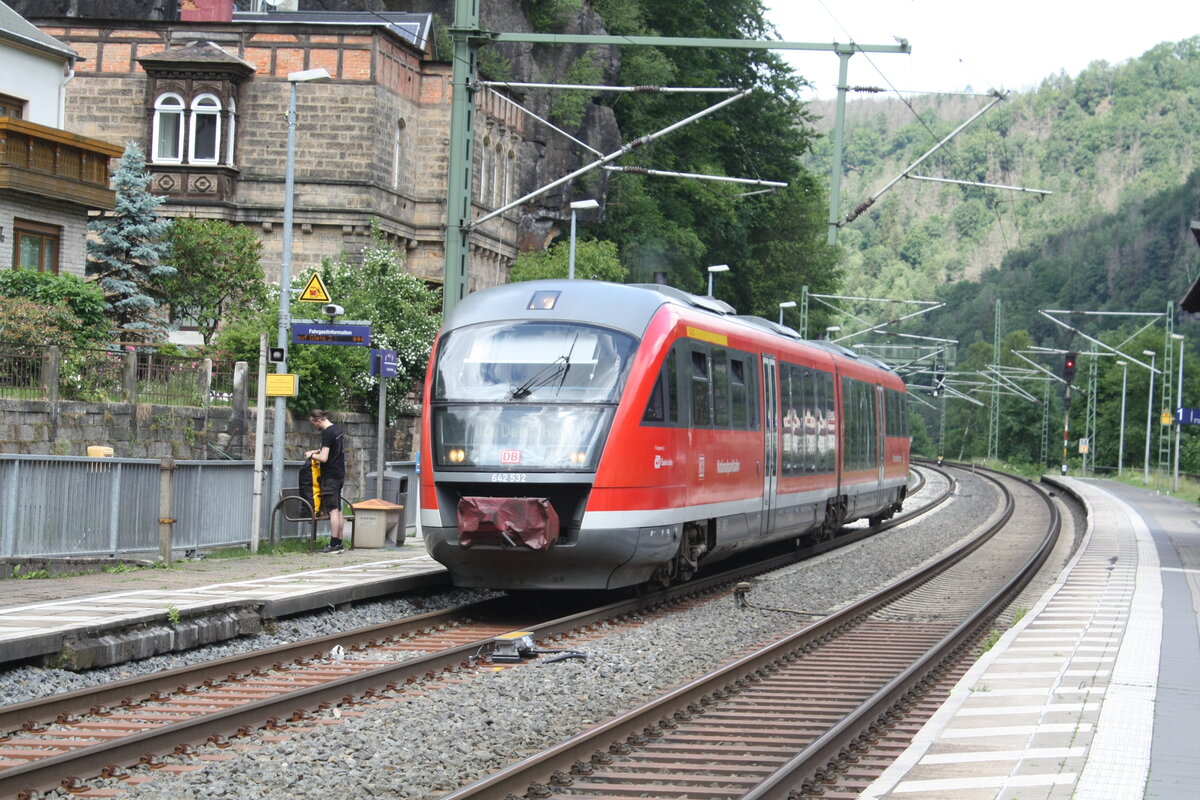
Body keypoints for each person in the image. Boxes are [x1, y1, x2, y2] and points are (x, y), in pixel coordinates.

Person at [305, 409, 347, 553]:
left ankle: (333, 544)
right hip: (340, 473)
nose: (314, 427)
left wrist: (311, 456)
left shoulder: (328, 432)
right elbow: (328, 449)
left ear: (318, 420)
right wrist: (316, 451)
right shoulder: (337, 430)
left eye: (313, 423)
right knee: (339, 510)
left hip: (330, 475)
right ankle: (339, 543)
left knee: (332, 510)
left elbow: (324, 457)